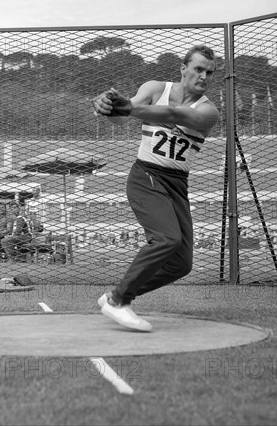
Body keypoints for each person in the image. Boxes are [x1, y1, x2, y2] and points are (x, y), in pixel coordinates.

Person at [92, 44, 220, 332]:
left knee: (181, 264)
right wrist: (108, 106)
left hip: (177, 184)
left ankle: (118, 293)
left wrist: (127, 107)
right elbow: (127, 110)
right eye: (198, 69)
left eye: (209, 73)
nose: (204, 77)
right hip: (146, 175)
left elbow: (174, 115)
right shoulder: (154, 87)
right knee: (166, 239)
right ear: (183, 68)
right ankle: (118, 301)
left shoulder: (208, 111)